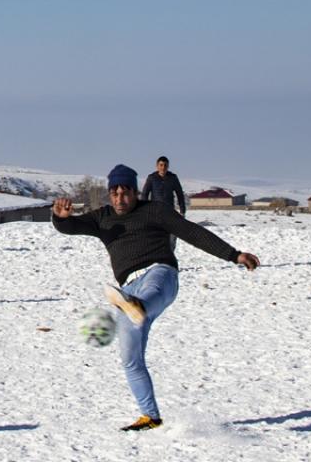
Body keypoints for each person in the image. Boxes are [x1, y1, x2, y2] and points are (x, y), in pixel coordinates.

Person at [52, 164, 259, 432]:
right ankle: (150, 417)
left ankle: (139, 307)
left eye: (125, 192)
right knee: (130, 359)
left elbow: (192, 232)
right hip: (128, 290)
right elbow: (71, 226)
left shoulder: (155, 211)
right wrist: (60, 218)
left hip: (159, 273)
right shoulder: (102, 217)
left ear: (135, 192)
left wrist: (234, 255)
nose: (119, 198)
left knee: (151, 292)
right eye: (114, 193)